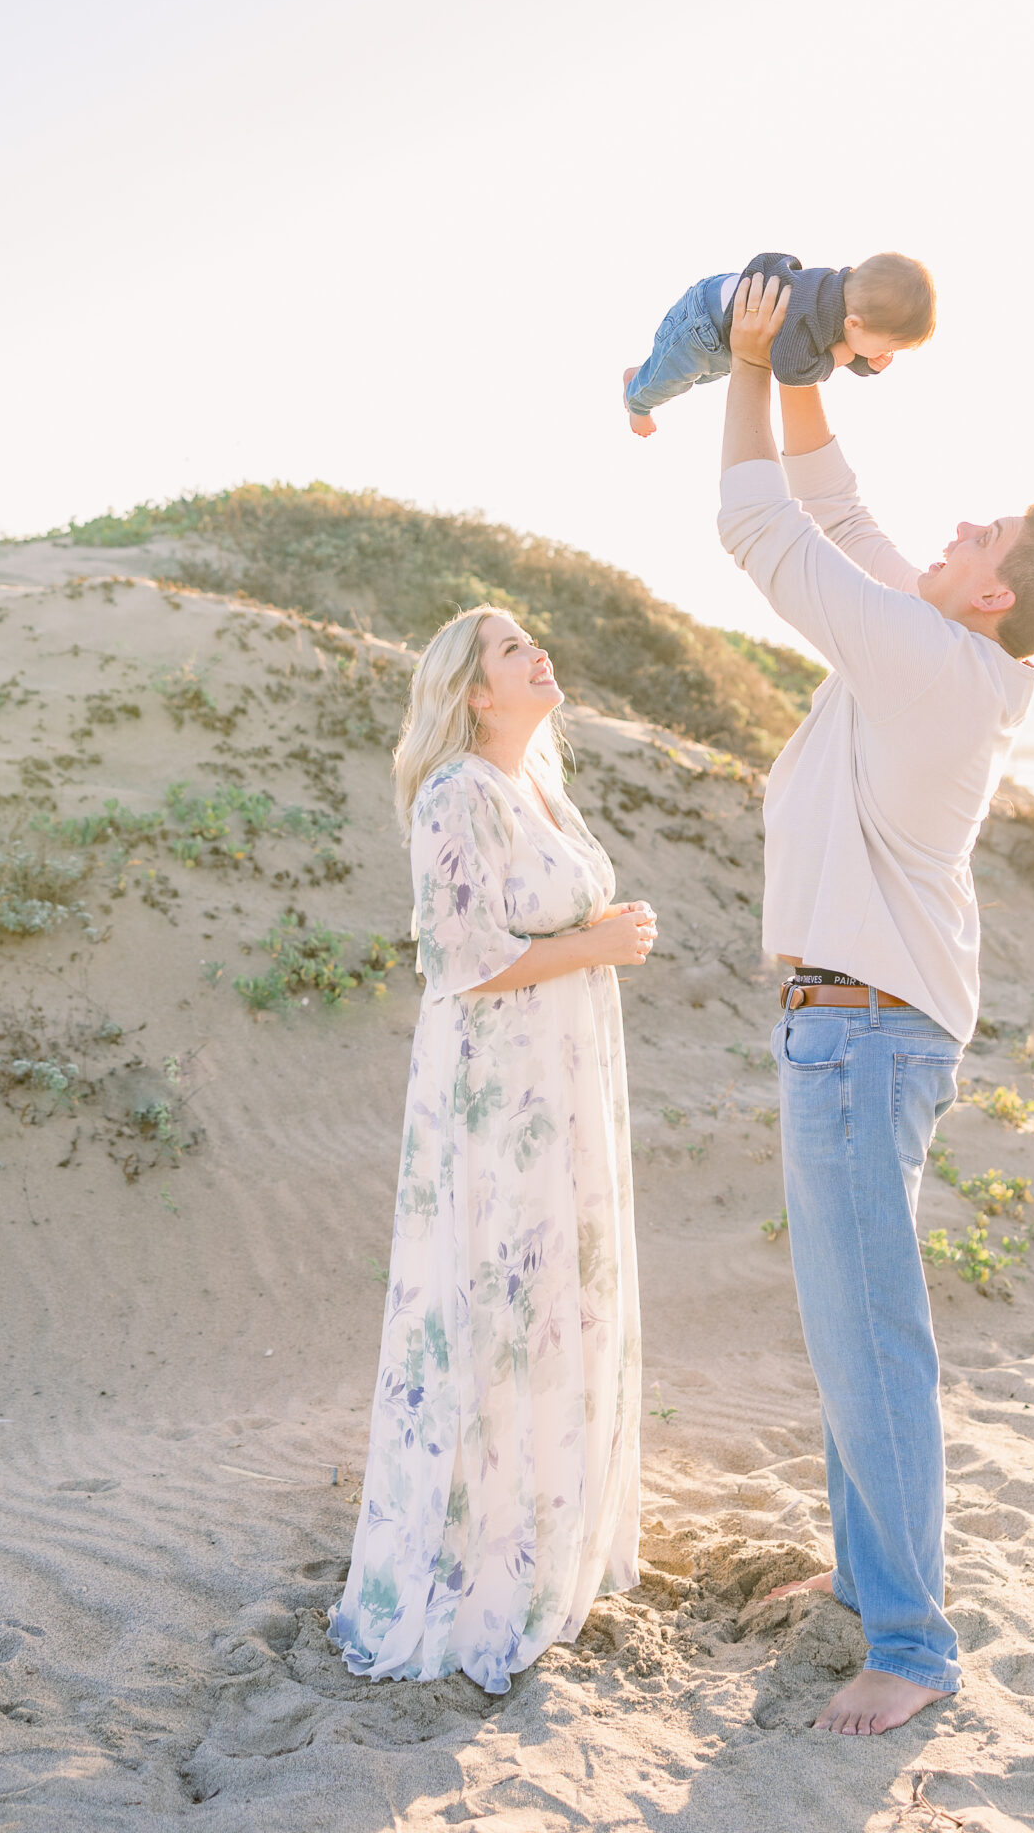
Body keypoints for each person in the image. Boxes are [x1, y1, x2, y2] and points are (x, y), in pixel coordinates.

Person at [715, 273, 1034, 1737]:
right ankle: (864, 1594)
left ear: (992, 594)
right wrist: (813, 358)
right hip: (861, 1027)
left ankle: (911, 1647)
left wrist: (747, 363)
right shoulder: (936, 645)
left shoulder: (932, 663)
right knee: (845, 1322)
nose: (950, 532)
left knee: (869, 1332)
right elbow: (835, 503)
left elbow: (759, 524)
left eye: (977, 535)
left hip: (863, 1033)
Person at [328, 605, 659, 1696]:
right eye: (512, 649)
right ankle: (472, 1560)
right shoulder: (455, 793)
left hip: (559, 1082)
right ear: (473, 689)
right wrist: (596, 943)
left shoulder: (535, 786)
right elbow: (462, 958)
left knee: (559, 1294)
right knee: (497, 1301)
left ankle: (543, 1531)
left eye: (533, 641)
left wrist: (596, 943)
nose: (537, 653)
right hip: (496, 1086)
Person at [623, 248, 935, 436]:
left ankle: (643, 373)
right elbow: (791, 370)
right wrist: (839, 359)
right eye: (888, 346)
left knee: (697, 376)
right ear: (854, 324)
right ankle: (637, 401)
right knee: (675, 380)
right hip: (704, 326)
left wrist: (866, 363)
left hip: (718, 305)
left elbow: (842, 343)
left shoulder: (837, 294)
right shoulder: (811, 317)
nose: (886, 353)